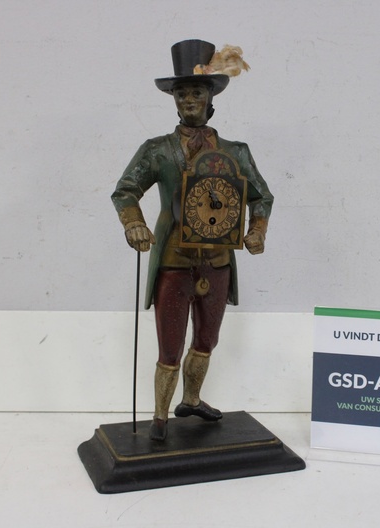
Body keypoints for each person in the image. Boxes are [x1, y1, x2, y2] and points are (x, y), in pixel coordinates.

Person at [111, 40, 274, 441]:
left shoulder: (236, 152)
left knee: (206, 339)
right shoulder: (157, 151)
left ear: (210, 97)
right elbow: (126, 190)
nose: (188, 100)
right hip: (174, 260)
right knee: (169, 344)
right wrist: (134, 224)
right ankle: (160, 416)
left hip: (217, 261)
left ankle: (192, 399)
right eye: (181, 93)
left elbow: (261, 196)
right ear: (173, 99)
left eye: (196, 92)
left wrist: (257, 229)